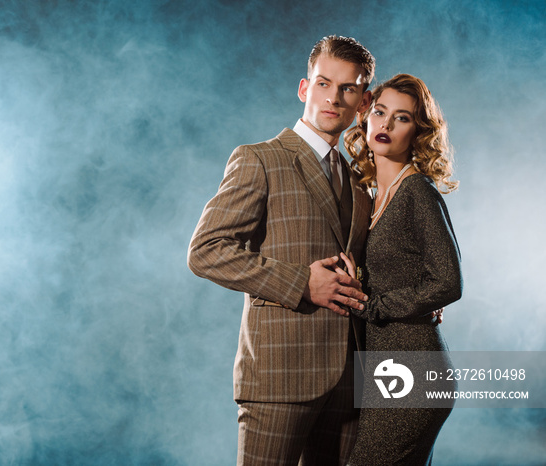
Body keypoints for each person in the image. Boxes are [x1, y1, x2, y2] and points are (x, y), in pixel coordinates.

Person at [187, 36, 375, 465]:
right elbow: (205, 250)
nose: (333, 97)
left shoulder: (361, 183)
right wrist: (301, 283)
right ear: (304, 88)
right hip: (280, 375)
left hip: (352, 380)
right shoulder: (259, 159)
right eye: (324, 83)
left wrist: (420, 299)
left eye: (348, 89)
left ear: (362, 102)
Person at [339, 73, 462, 465]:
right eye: (380, 112)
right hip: (387, 369)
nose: (387, 124)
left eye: (402, 117)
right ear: (367, 118)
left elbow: (448, 282)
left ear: (418, 131)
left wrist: (373, 306)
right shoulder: (372, 196)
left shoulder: (417, 192)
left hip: (414, 369)